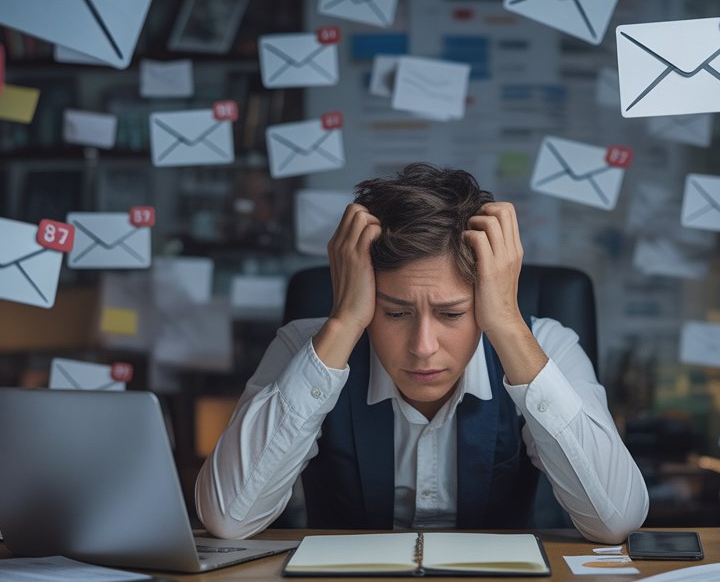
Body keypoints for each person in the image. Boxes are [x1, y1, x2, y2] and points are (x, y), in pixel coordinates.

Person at [195, 164, 648, 543]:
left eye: (452, 314)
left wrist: (507, 324)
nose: (423, 346)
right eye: (395, 313)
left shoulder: (546, 345)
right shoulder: (306, 346)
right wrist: (344, 323)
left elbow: (616, 521)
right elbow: (229, 518)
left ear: (488, 300)